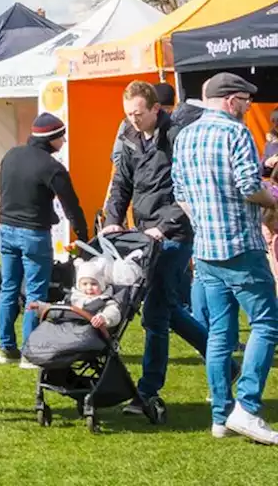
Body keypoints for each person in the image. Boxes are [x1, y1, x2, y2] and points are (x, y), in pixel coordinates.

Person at [172, 72, 278, 443]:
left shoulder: (185, 136)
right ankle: (246, 408)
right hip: (241, 247)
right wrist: (274, 199)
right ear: (232, 101)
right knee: (266, 324)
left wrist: (203, 219)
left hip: (205, 250)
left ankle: (220, 415)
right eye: (246, 102)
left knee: (220, 333)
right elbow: (249, 186)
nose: (249, 108)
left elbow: (180, 192)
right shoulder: (236, 134)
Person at [102, 81, 207, 421]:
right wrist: (113, 219)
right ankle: (222, 359)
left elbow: (189, 190)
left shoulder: (176, 138)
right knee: (168, 310)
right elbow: (122, 183)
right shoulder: (131, 139)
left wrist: (164, 224)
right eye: (128, 114)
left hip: (174, 235)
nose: (133, 120)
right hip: (144, 235)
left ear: (154, 109)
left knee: (155, 315)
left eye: (138, 114)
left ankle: (147, 390)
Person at [0, 112, 89, 368]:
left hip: (5, 228)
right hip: (34, 233)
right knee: (36, 293)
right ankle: (30, 351)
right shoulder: (52, 167)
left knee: (9, 288)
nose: (65, 140)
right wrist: (84, 237)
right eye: (62, 136)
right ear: (51, 139)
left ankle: (6, 347)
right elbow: (72, 206)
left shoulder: (11, 155)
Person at [67, 259, 122, 329]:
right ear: (79, 286)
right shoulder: (74, 298)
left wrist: (104, 317)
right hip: (68, 329)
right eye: (84, 284)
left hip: (91, 332)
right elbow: (62, 306)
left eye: (94, 284)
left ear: (101, 285)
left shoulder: (105, 300)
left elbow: (114, 313)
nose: (89, 287)